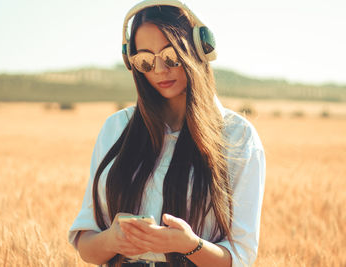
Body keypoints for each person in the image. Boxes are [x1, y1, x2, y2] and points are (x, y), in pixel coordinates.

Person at [68, 1, 265, 266]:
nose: (160, 69)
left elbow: (240, 257)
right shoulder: (116, 129)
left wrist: (189, 246)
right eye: (146, 60)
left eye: (171, 55)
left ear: (198, 50)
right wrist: (113, 239)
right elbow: (87, 247)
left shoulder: (238, 137)